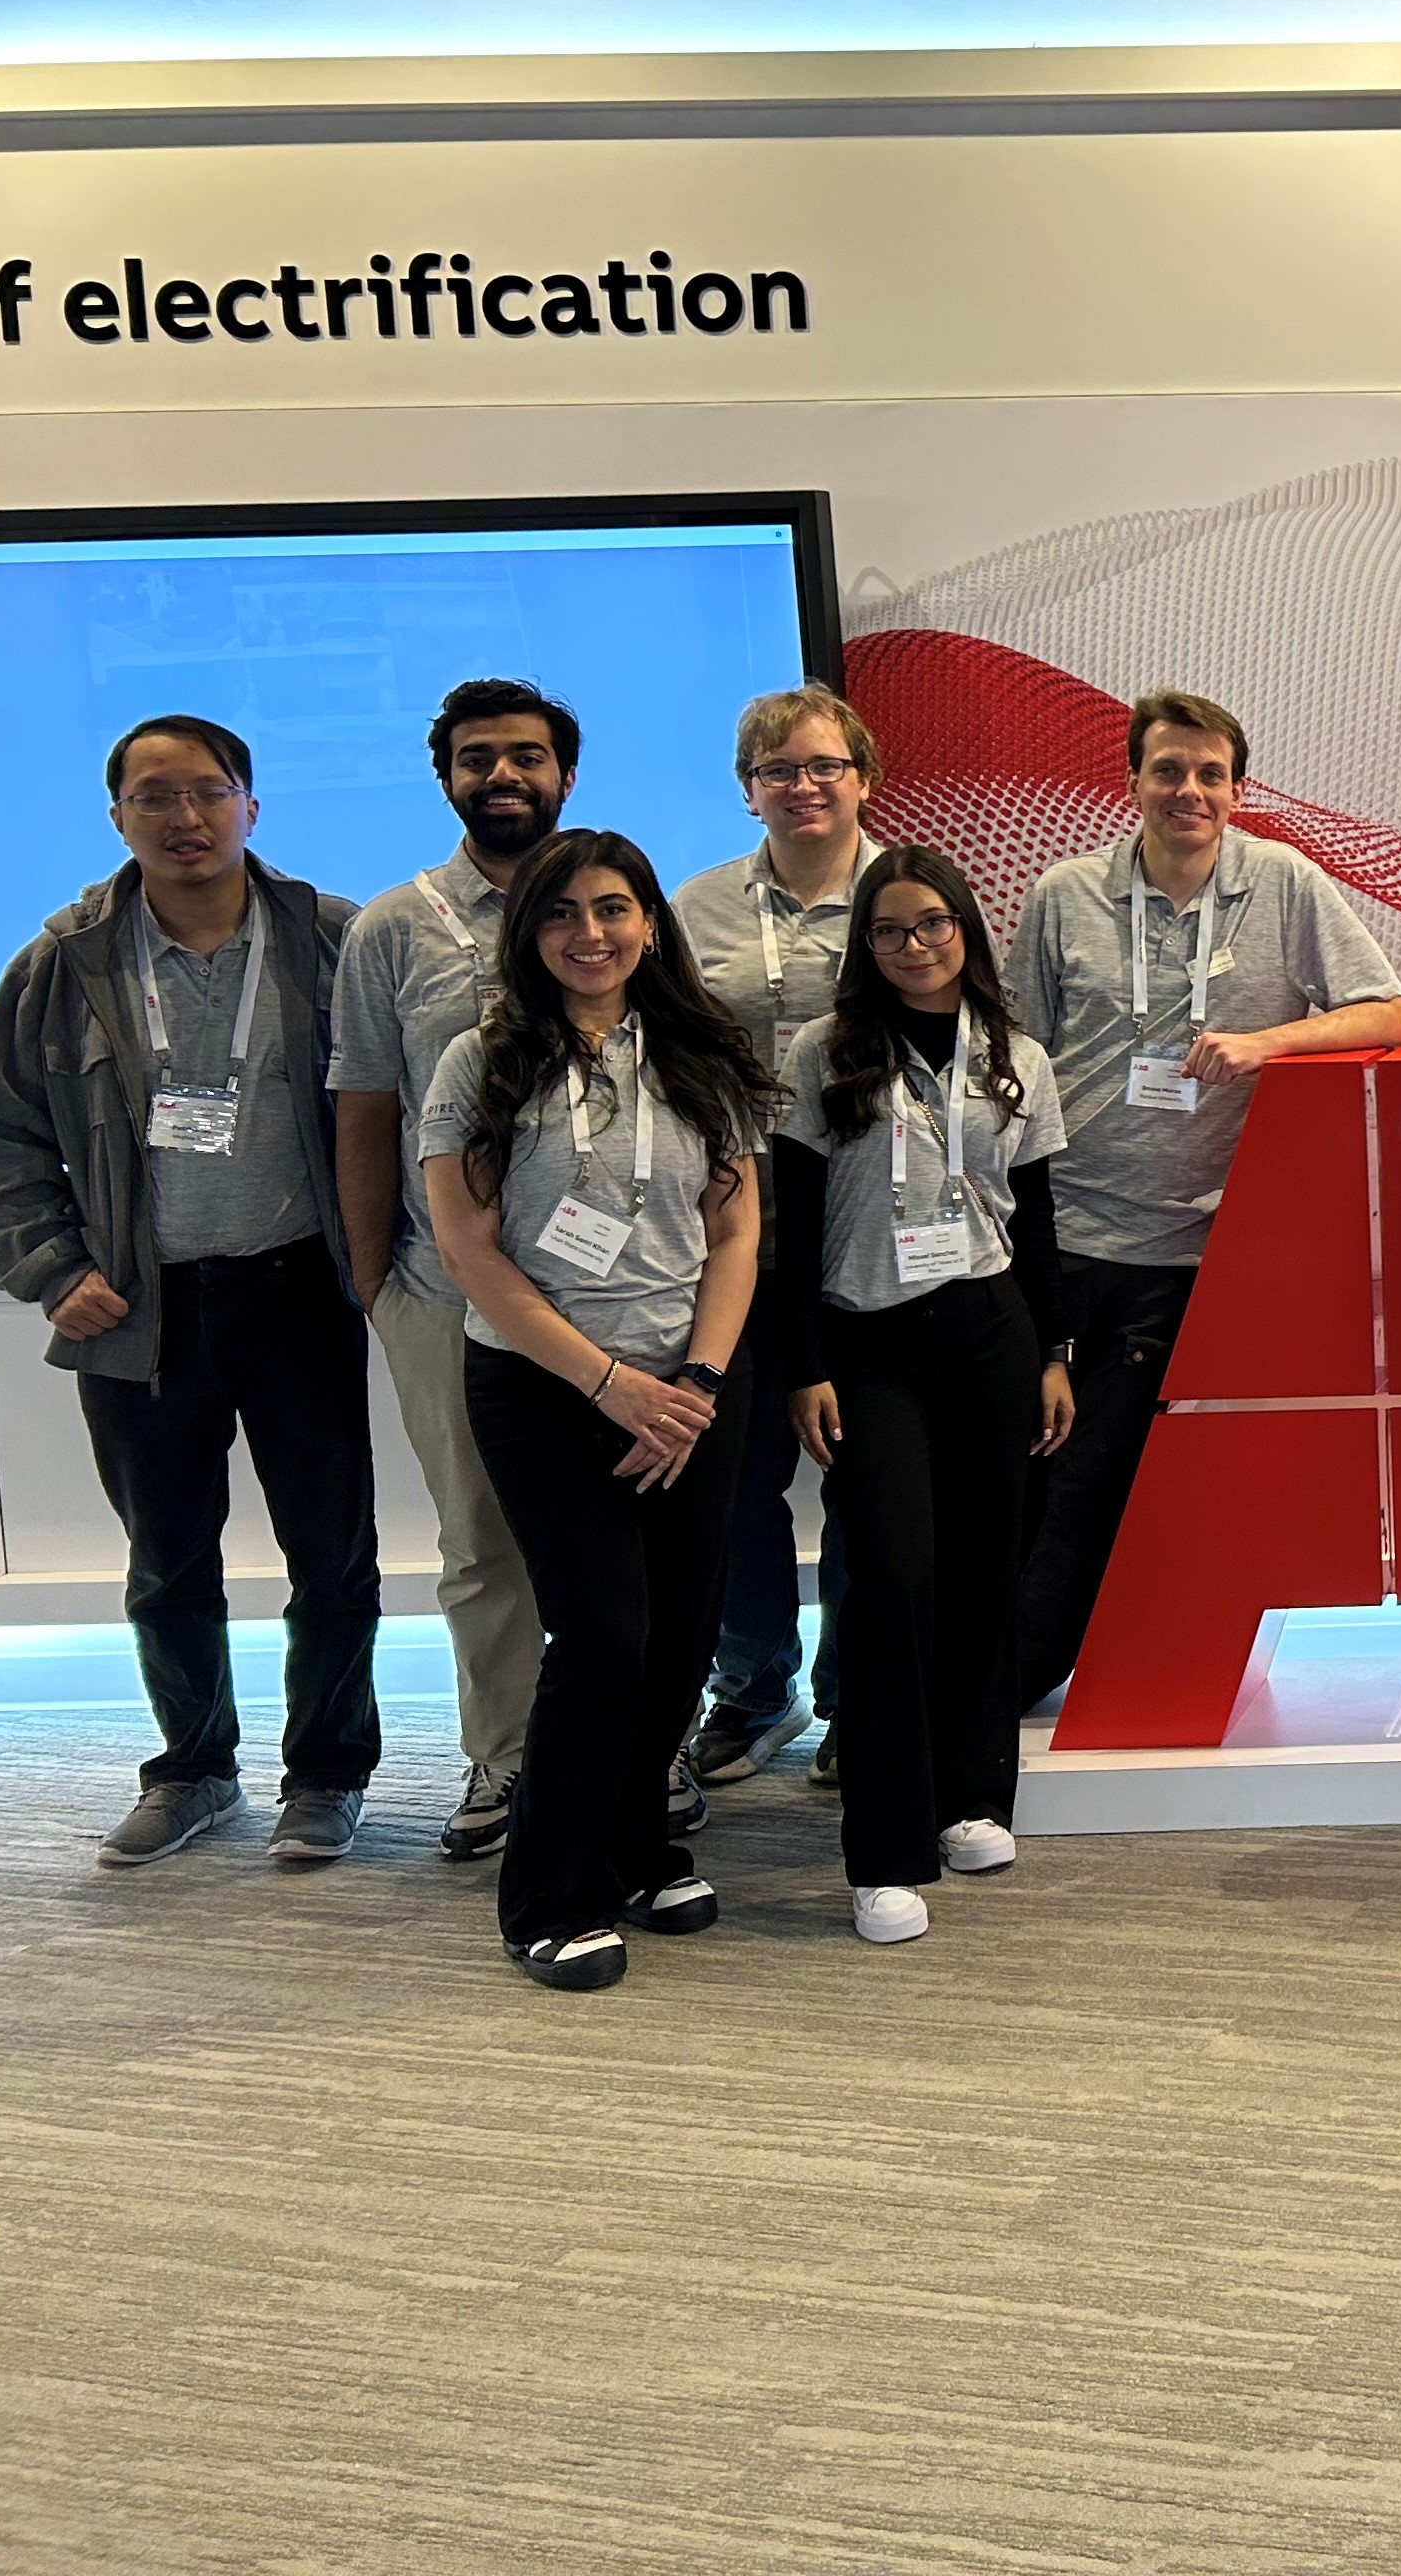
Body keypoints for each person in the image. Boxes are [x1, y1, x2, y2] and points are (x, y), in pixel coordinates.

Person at [0, 718, 377, 1869]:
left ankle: (328, 1775)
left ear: (251, 805)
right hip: (137, 1310)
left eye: (206, 791)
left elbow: (397, 1109)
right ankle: (194, 1771)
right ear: (118, 820)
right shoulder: (63, 964)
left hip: (298, 1293)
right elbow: (0, 1136)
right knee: (167, 1564)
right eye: (154, 797)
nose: (184, 818)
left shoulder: (333, 940)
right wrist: (55, 1270)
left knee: (333, 1558)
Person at [1007, 689, 1401, 1711]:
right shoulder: (1064, 893)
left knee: (1117, 1479)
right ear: (1132, 780)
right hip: (1064, 1228)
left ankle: (1024, 1675)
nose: (1188, 791)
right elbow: (1017, 1056)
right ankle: (999, 1669)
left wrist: (1268, 1043)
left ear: (1237, 789)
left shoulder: (1282, 883)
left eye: (1209, 774)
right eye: (1167, 770)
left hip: (1202, 1246)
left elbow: (1389, 1012)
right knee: (1034, 1467)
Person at [420, 830, 770, 1991]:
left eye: (613, 908)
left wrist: (698, 1384)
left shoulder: (700, 1051)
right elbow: (469, 1252)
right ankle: (549, 1895)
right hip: (545, 1387)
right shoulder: (479, 1062)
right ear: (529, 934)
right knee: (605, 1636)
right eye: (562, 913)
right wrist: (611, 1385)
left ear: (650, 924)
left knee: (681, 1634)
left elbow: (735, 1229)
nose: (590, 933)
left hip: (690, 1389)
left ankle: (636, 1848)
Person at [773, 848, 1075, 1945]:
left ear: (966, 930)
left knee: (987, 1571)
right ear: (866, 943)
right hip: (870, 1342)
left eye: (935, 924)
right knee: (894, 1579)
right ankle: (885, 1852)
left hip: (991, 1330)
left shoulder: (1014, 1055)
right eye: (892, 929)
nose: (916, 946)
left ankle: (969, 1798)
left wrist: (1055, 1353)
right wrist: (803, 1364)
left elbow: (1036, 1214)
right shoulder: (825, 1051)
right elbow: (793, 1220)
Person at [327, 678, 578, 1862]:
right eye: (478, 758)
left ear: (564, 775)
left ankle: (642, 1743)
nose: (503, 776)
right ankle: (507, 1755)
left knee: (622, 1532)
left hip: (610, 1294)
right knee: (480, 1539)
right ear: (446, 779)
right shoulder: (394, 927)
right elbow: (364, 1108)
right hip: (443, 1290)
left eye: (526, 755)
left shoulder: (612, 903)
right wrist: (375, 1279)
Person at [673, 685, 881, 1807]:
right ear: (747, 789)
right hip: (730, 1223)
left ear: (863, 778)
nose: (803, 787)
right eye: (778, 770)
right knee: (737, 1476)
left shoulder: (909, 896)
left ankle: (855, 1697)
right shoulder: (695, 907)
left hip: (869, 1219)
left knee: (866, 1470)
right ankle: (754, 1689)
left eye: (823, 766)